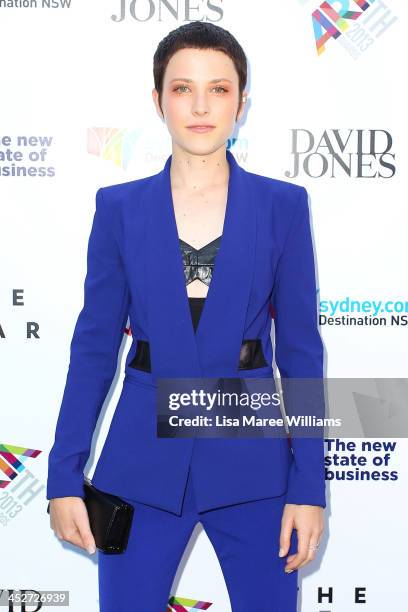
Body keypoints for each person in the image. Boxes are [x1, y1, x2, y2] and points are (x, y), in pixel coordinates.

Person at [47, 21, 326, 611]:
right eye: (182, 89)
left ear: (241, 102)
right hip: (140, 465)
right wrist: (63, 475)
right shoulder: (118, 209)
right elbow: (95, 348)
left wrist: (309, 487)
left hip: (254, 467)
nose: (201, 106)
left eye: (219, 89)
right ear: (158, 100)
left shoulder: (283, 207)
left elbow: (301, 351)